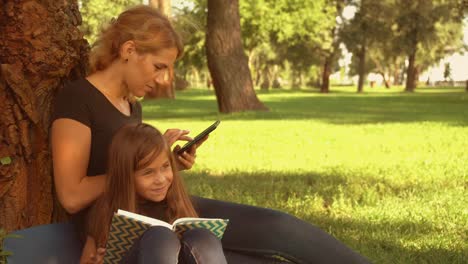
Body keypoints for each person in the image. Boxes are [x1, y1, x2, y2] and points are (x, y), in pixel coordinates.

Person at [51, 5, 370, 264]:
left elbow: (135, 164)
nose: (163, 79)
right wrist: (138, 167)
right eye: (159, 66)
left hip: (159, 209)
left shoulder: (131, 106)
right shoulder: (78, 99)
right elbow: (72, 196)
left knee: (276, 227)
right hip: (118, 227)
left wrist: (165, 163)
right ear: (129, 50)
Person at [79, 123, 227, 263]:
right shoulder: (105, 211)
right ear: (126, 176)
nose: (161, 179)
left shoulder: (176, 203)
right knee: (160, 236)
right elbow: (87, 260)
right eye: (148, 172)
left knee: (203, 237)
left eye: (165, 167)